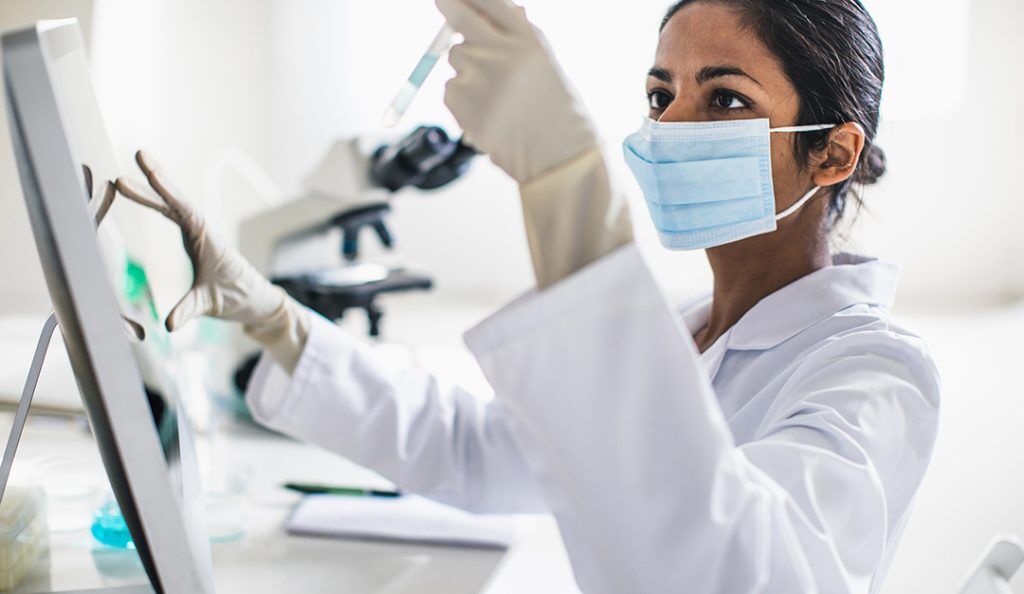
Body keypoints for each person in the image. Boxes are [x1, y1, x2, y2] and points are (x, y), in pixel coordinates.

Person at [116, 0, 940, 592]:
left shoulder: (874, 373)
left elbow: (733, 574)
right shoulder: (696, 333)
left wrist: (567, 187)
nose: (672, 125)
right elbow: (475, 451)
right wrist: (273, 318)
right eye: (661, 96)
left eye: (725, 98)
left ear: (832, 154)